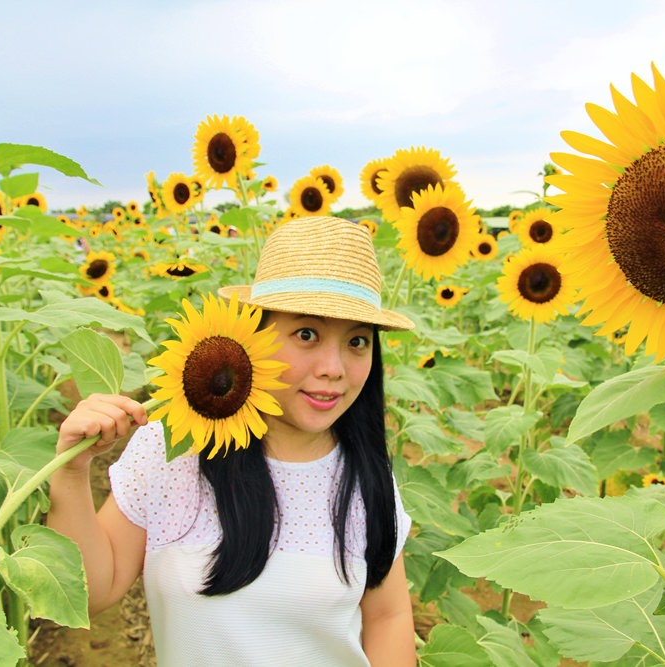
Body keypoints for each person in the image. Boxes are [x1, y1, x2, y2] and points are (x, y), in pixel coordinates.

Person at [47, 216, 417, 666]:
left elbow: (388, 616)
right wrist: (70, 473)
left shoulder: (365, 478)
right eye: (306, 334)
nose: (334, 367)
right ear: (255, 334)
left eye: (357, 341)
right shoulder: (173, 453)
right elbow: (89, 594)